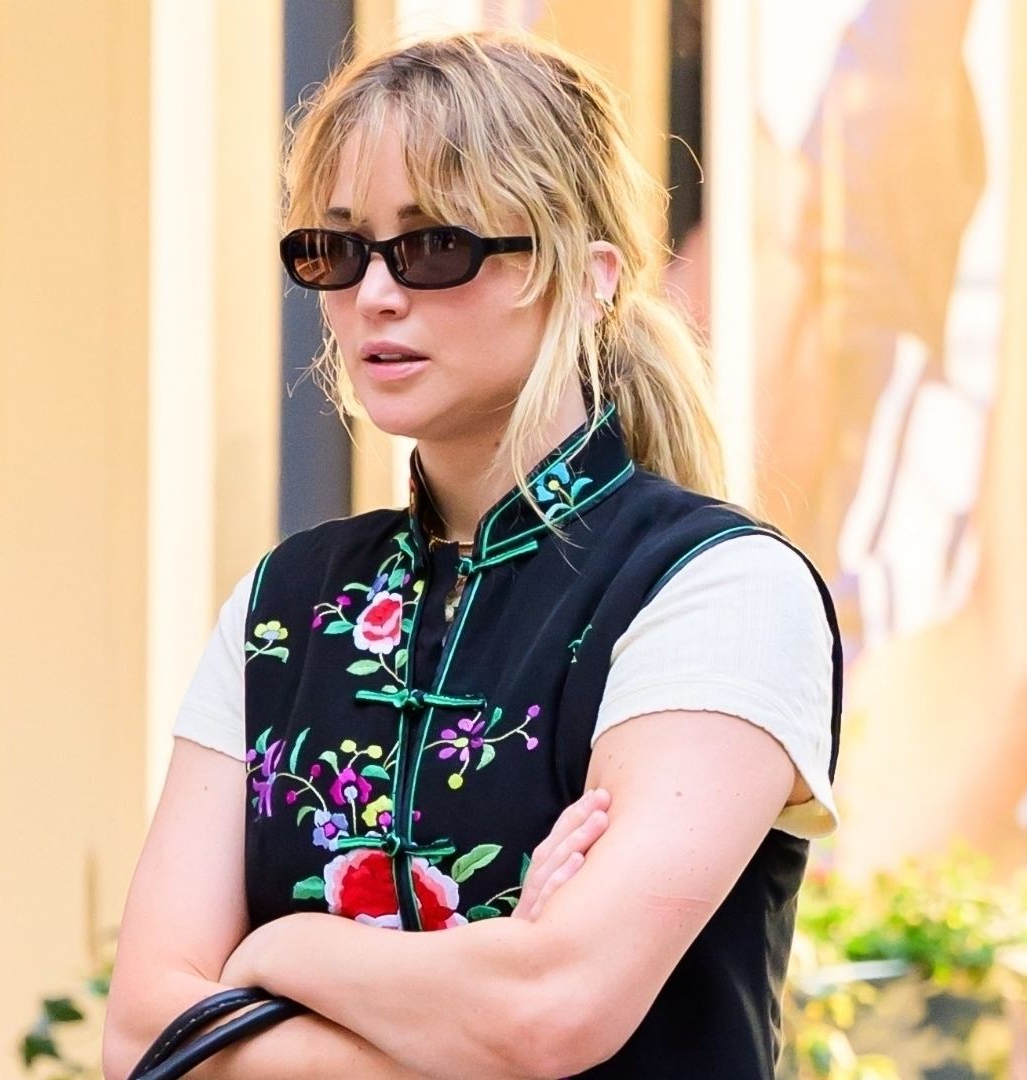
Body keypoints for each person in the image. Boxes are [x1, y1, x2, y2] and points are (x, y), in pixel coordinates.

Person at [103, 28, 841, 1080]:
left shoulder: (719, 588)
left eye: (434, 246)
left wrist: (283, 952)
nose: (375, 294)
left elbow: (547, 1010)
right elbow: (146, 1034)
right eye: (335, 250)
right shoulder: (284, 603)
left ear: (589, 276)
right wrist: (476, 1003)